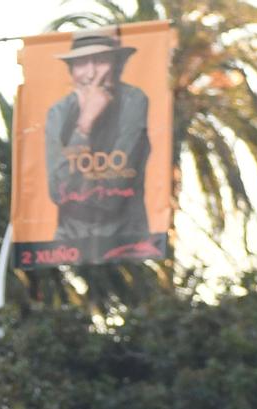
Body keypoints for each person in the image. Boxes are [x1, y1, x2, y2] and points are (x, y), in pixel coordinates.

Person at [43, 31, 157, 262]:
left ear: (117, 66)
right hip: (68, 244)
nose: (91, 73)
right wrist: (84, 124)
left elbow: (114, 188)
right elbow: (58, 190)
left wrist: (79, 188)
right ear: (72, 71)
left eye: (101, 61)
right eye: (81, 64)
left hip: (125, 241)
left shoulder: (133, 101)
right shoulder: (58, 112)